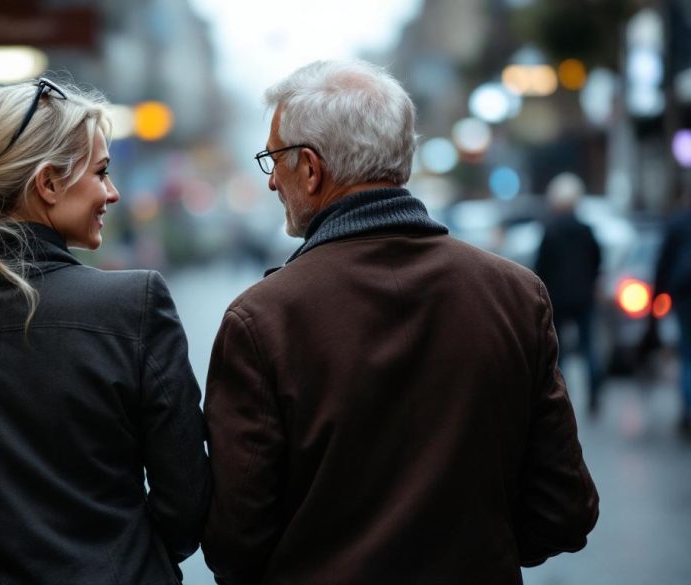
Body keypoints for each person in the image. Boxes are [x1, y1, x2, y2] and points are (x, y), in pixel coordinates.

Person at [201, 60, 599, 585]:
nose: (272, 178)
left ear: (313, 170)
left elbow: (234, 541)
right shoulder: (516, 295)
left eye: (275, 160)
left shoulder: (262, 321)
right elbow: (564, 511)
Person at [0, 77, 211, 584]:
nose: (112, 193)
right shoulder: (133, 306)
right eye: (101, 172)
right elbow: (186, 496)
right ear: (47, 184)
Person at [534, 173, 603, 413]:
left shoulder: (550, 231)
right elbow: (597, 261)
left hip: (557, 298)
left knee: (558, 351)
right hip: (584, 297)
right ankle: (595, 395)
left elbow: (540, 267)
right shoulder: (587, 231)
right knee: (588, 347)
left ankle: (561, 395)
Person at [653, 203, 691, 433]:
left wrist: (658, 296)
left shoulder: (678, 223)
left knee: (687, 356)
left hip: (685, 300)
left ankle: (688, 411)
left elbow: (664, 262)